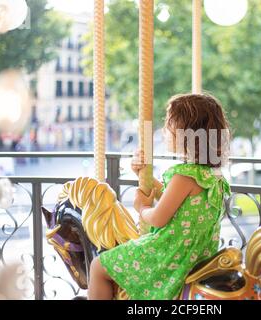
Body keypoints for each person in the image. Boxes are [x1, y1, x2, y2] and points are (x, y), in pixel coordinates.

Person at [88, 93, 231, 300]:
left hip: (170, 256)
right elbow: (177, 203)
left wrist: (141, 207)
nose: (165, 131)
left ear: (185, 134)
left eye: (170, 125)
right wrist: (143, 176)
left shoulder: (184, 176)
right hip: (197, 256)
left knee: (98, 267)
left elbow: (158, 218)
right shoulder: (213, 176)